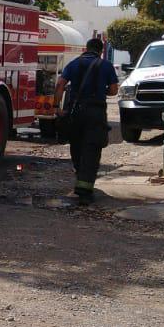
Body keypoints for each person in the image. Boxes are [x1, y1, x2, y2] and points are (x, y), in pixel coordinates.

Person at [55, 38, 119, 205]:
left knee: (76, 146)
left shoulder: (74, 63)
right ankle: (85, 191)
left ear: (86, 48)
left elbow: (60, 85)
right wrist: (101, 90)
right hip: (96, 113)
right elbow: (114, 90)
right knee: (92, 150)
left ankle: (79, 178)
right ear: (101, 51)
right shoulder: (106, 65)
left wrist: (57, 107)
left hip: (75, 112)